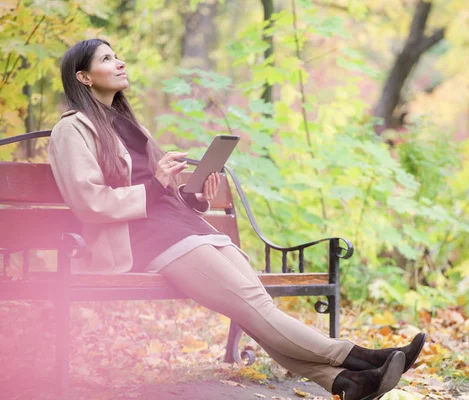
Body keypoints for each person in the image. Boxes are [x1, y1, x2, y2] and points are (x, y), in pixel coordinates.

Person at [49, 38, 427, 400]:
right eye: (106, 59)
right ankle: (365, 357)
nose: (120, 63)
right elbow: (89, 202)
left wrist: (193, 194)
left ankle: (346, 382)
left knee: (258, 312)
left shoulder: (130, 125)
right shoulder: (72, 129)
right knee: (258, 310)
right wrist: (157, 188)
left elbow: (160, 192)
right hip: (146, 240)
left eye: (117, 56)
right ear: (83, 77)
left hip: (185, 227)